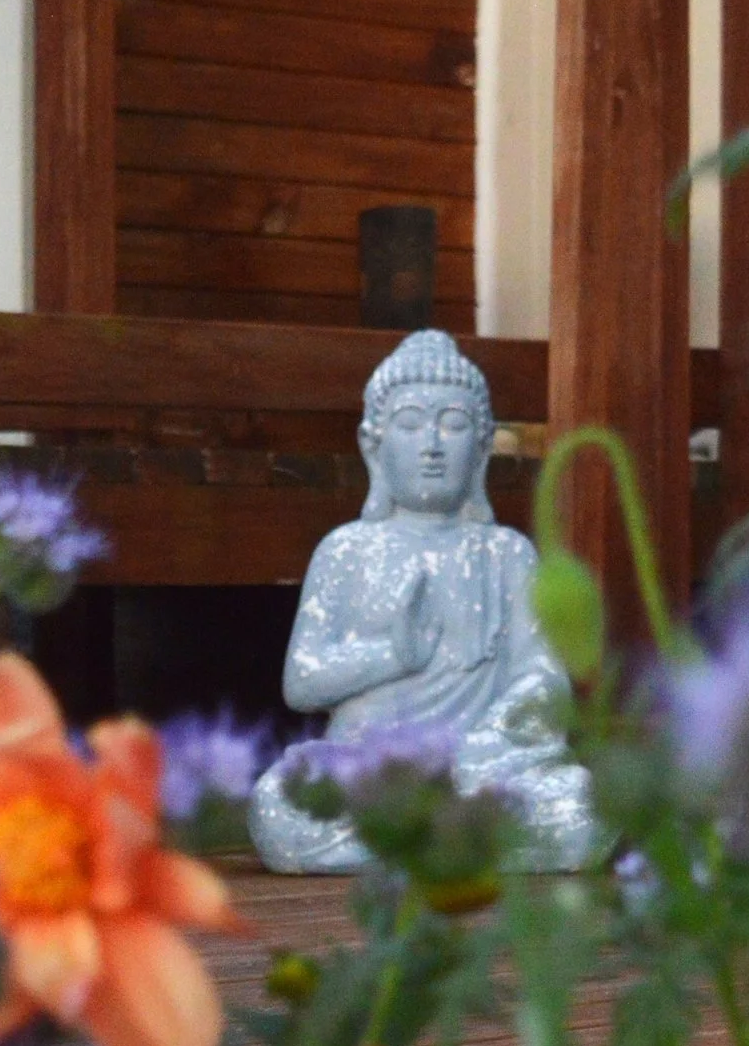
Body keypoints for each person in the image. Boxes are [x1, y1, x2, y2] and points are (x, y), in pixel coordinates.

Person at [250, 330, 596, 875]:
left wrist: (484, 741)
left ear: (482, 449)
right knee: (278, 806)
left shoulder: (507, 553)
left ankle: (408, 844)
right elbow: (302, 682)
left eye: (453, 425)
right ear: (374, 446)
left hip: (477, 767)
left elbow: (544, 681)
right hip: (369, 771)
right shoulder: (346, 551)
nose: (431, 444)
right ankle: (450, 844)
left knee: (577, 806)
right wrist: (392, 654)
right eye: (410, 424)